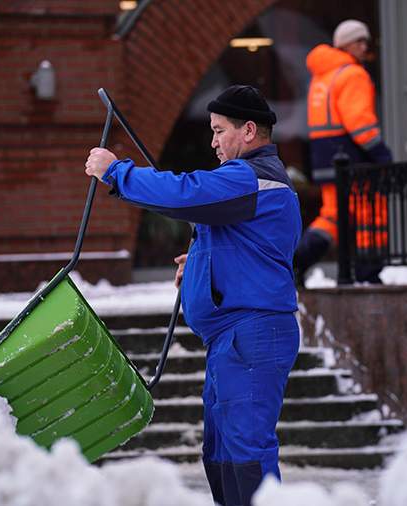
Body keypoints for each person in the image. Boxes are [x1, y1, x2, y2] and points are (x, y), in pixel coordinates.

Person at [83, 85, 301, 506]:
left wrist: (116, 172)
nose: (213, 141)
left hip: (251, 334)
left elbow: (186, 194)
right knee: (220, 453)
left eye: (220, 130)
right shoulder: (249, 186)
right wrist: (200, 261)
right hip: (233, 337)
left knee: (247, 453)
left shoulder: (250, 177)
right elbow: (243, 244)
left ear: (249, 130)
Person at [295, 19, 394, 284]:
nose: (364, 47)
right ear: (345, 45)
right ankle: (368, 271)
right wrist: (382, 154)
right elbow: (360, 123)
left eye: (366, 41)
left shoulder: (322, 76)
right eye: (359, 41)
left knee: (332, 216)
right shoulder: (353, 74)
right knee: (369, 214)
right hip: (353, 158)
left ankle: (297, 261)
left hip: (327, 158)